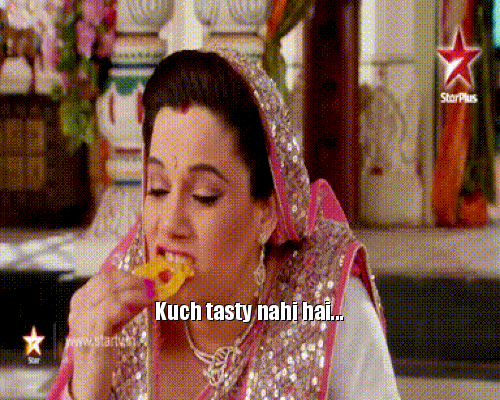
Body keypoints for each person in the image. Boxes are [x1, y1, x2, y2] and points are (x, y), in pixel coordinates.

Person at [49, 49, 400, 400]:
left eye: (204, 195)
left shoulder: (329, 308)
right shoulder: (119, 309)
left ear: (266, 213)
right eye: (157, 188)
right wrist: (89, 383)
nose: (169, 224)